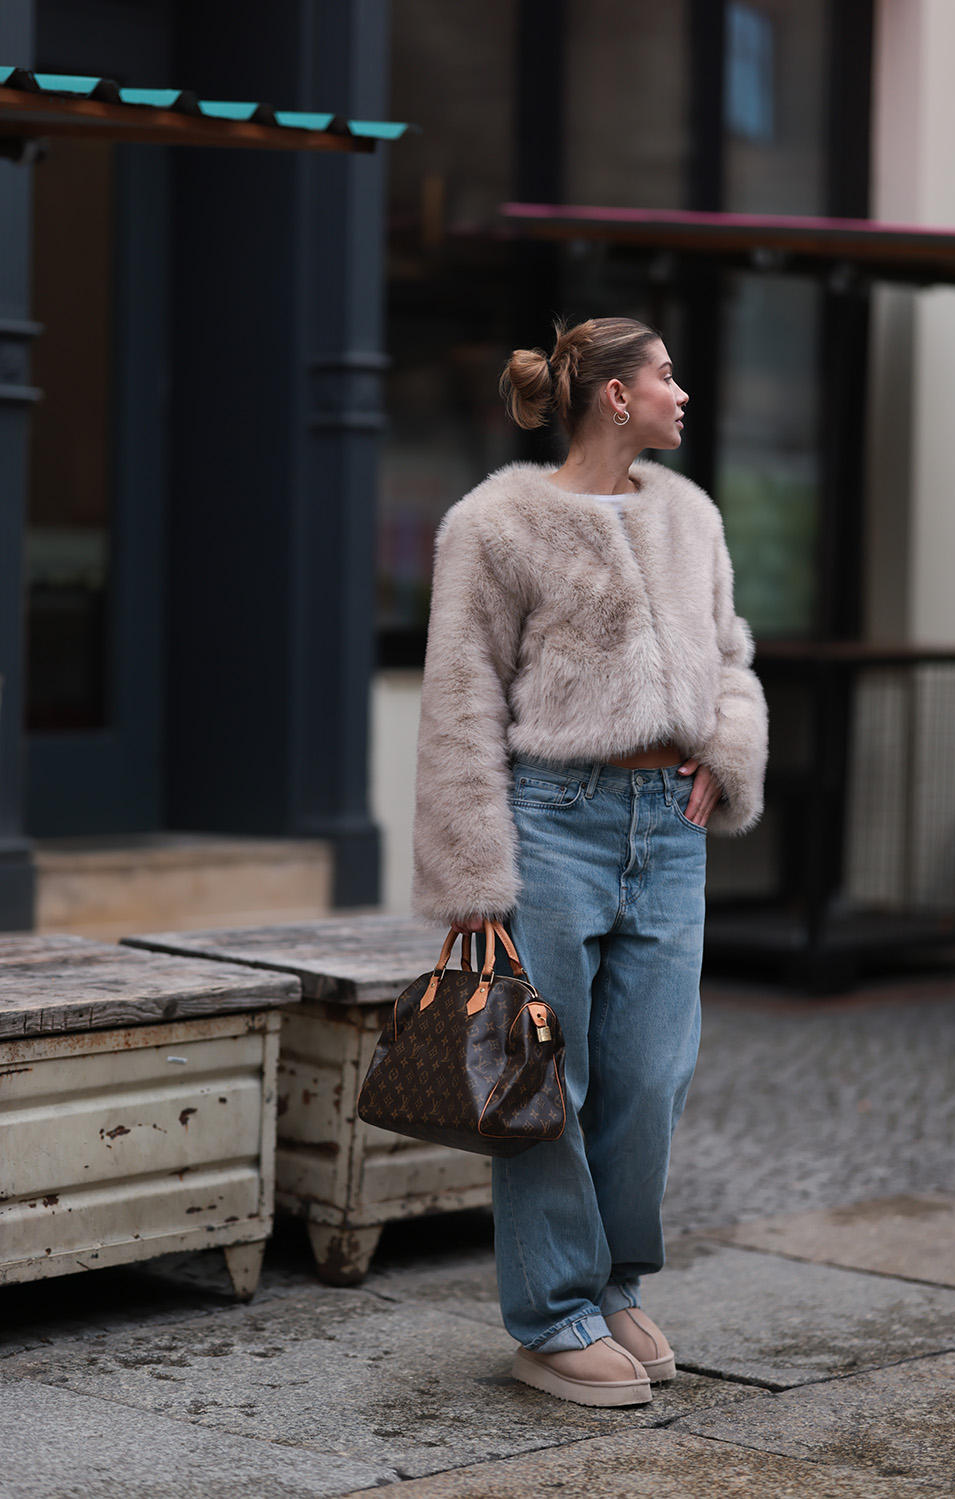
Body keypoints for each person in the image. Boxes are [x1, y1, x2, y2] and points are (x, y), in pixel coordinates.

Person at [411, 316, 767, 1407]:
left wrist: (728, 750)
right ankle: (550, 1312)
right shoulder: (494, 522)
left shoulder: (690, 515)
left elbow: (731, 654)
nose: (682, 392)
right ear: (613, 395)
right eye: (666, 374)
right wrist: (472, 879)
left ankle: (612, 1282)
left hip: (668, 825)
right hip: (550, 820)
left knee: (650, 1075)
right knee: (543, 1076)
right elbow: (458, 697)